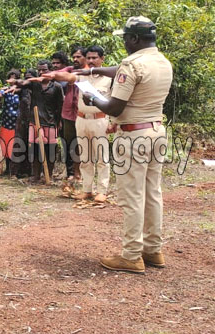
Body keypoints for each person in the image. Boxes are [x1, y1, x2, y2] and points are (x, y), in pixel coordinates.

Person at [80, 16, 172, 273]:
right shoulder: (163, 62)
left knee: (132, 196)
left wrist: (92, 97)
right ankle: (153, 250)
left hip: (133, 137)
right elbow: (122, 73)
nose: (124, 43)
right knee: (153, 193)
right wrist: (95, 70)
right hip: (156, 132)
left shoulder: (131, 65)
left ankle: (131, 255)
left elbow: (114, 106)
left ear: (133, 38)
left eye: (125, 38)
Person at [43, 45, 113, 202]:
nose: (91, 61)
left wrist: (114, 122)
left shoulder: (109, 79)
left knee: (102, 157)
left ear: (102, 59)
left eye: (95, 58)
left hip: (100, 120)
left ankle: (102, 190)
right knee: (85, 157)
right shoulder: (82, 75)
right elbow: (68, 78)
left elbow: (115, 101)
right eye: (89, 58)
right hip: (81, 120)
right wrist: (53, 75)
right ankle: (87, 190)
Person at [14, 60, 63, 183]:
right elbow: (22, 83)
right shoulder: (34, 85)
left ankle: (48, 175)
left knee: (50, 150)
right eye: (39, 70)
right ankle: (36, 175)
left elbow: (60, 105)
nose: (41, 72)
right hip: (35, 122)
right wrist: (17, 82)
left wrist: (59, 121)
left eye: (44, 70)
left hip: (50, 122)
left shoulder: (56, 87)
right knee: (35, 149)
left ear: (50, 71)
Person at [59, 46, 88, 181]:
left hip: (84, 113)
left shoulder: (90, 72)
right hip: (68, 113)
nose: (75, 59)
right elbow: (58, 73)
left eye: (79, 56)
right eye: (74, 57)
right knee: (71, 144)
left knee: (84, 144)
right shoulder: (70, 70)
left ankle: (85, 173)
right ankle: (75, 172)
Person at [0, 69, 21, 175]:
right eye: (11, 77)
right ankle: (7, 168)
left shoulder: (21, 90)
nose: (13, 80)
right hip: (6, 122)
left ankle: (15, 170)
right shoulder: (4, 90)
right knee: (5, 146)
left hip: (16, 123)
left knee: (15, 146)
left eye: (15, 77)